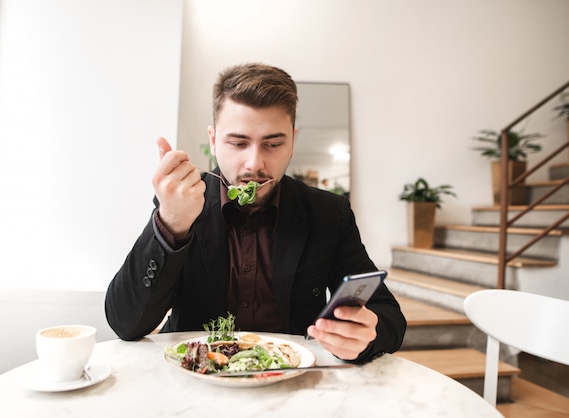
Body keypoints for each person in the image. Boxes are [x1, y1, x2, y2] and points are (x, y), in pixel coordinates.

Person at [105, 63, 406, 363]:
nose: (254, 164)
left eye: (273, 143)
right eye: (238, 143)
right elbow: (126, 323)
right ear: (213, 140)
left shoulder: (327, 213)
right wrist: (172, 222)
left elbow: (389, 316)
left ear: (292, 141)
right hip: (196, 379)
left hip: (291, 378)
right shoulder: (181, 205)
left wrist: (366, 335)